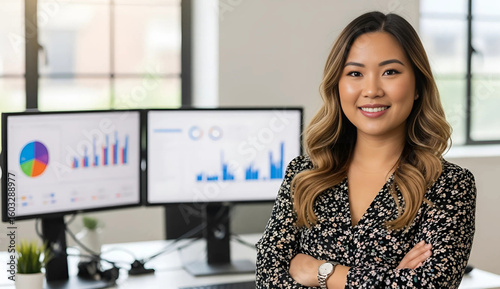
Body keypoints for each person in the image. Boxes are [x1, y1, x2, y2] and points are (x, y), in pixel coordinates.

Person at [255, 11, 476, 289]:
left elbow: (430, 285)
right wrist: (393, 279)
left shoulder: (450, 184)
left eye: (390, 72)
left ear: (418, 85)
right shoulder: (305, 174)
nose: (371, 90)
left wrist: (321, 272)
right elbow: (267, 277)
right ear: (338, 85)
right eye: (355, 73)